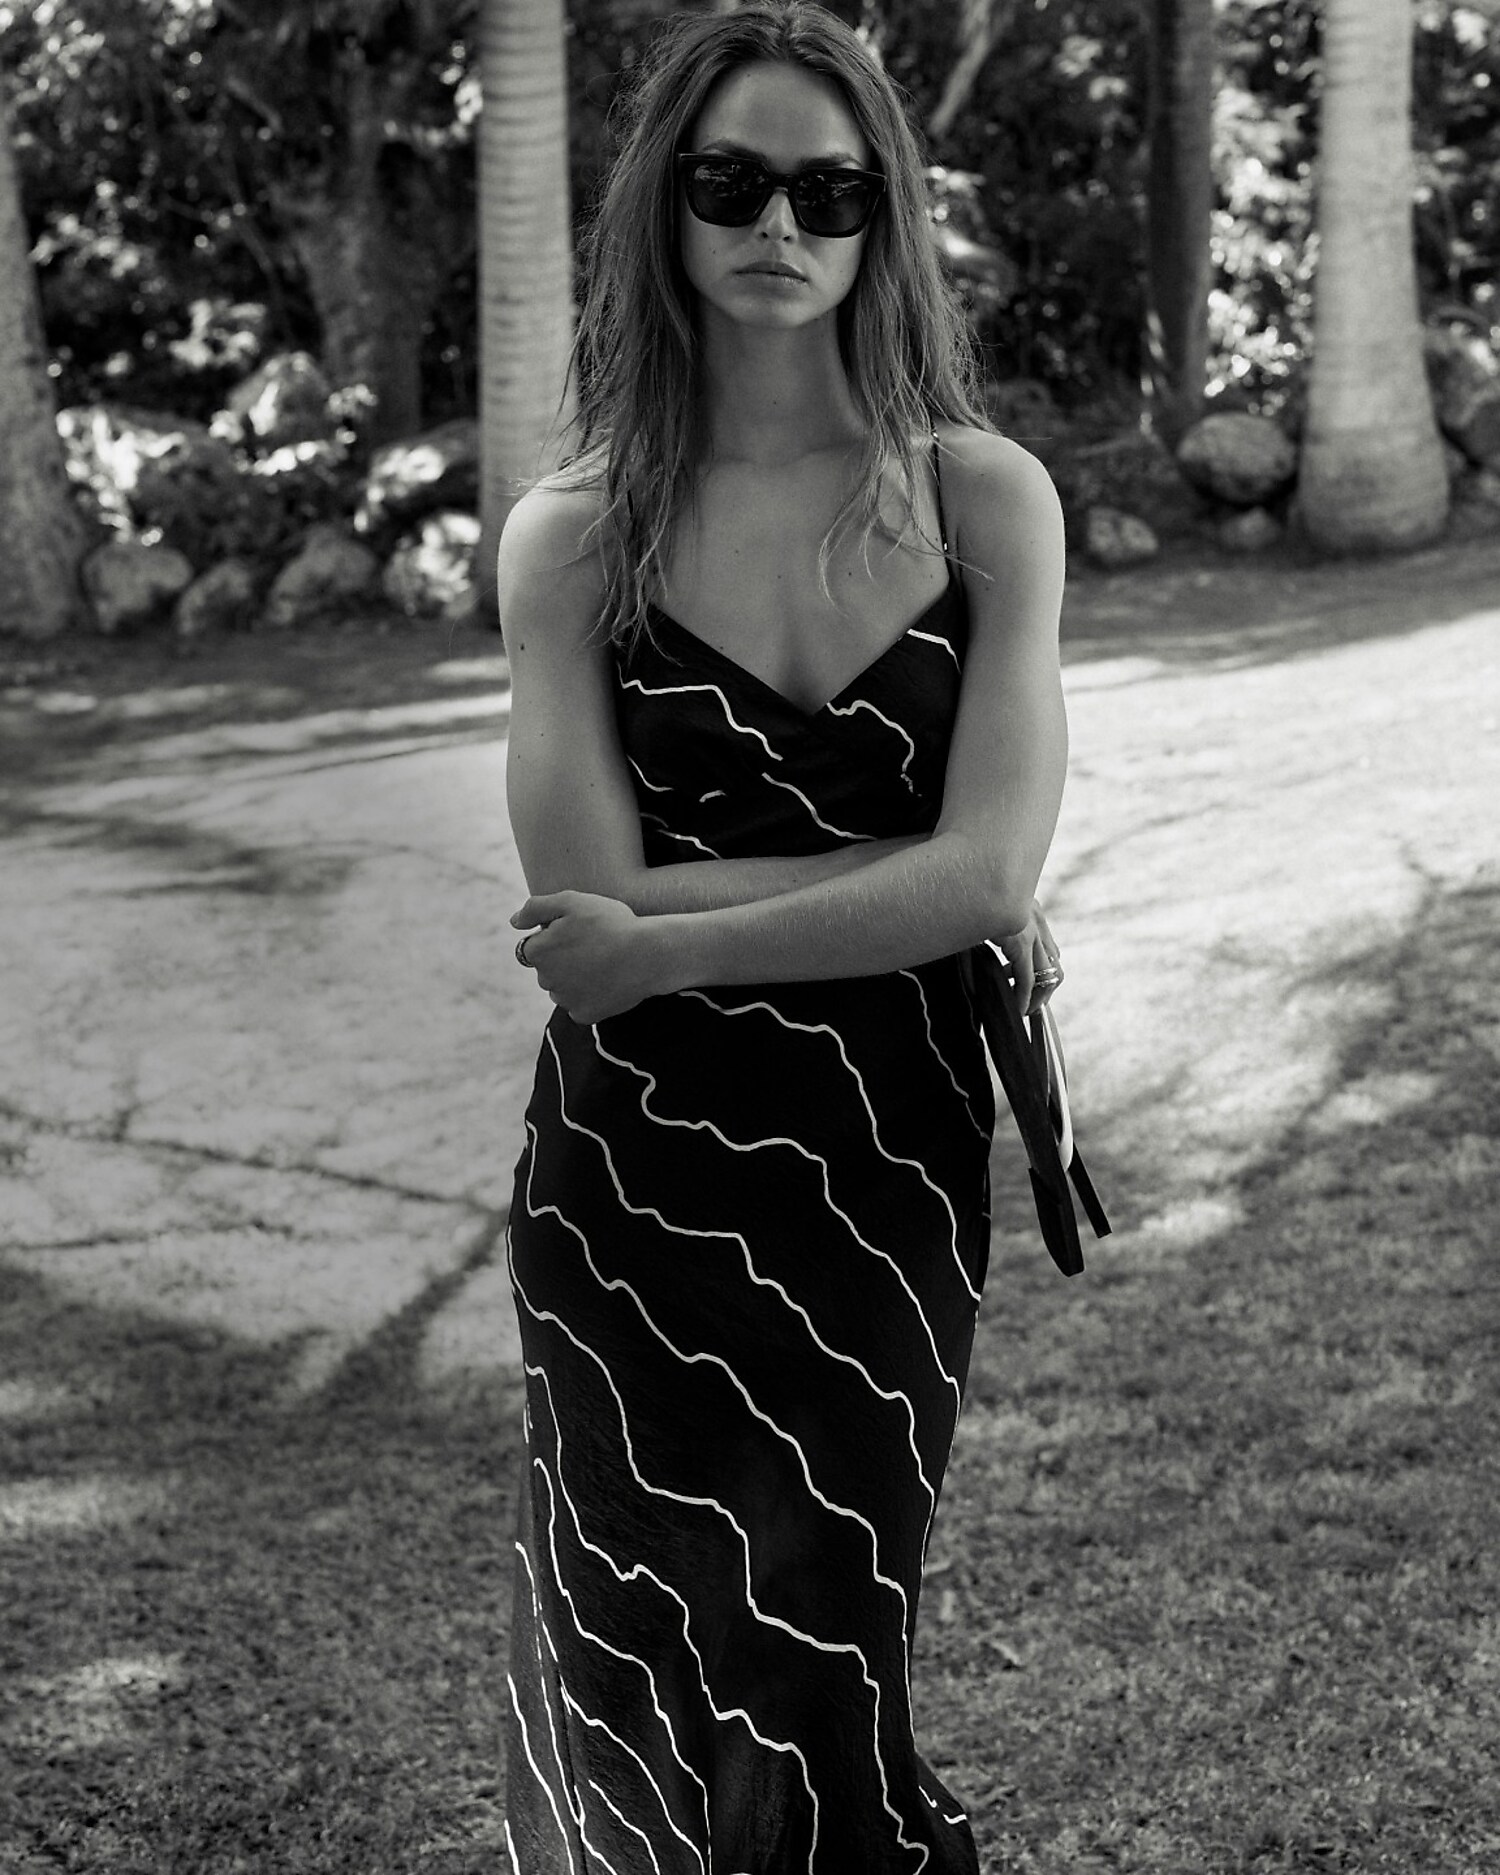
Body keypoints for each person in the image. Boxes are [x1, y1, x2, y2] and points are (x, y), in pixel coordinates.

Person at [496, 4, 1067, 1868]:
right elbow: (582, 912)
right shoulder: (573, 538)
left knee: (826, 1647)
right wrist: (906, 868)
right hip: (634, 1179)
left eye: (831, 191)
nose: (781, 226)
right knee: (634, 1657)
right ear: (664, 204)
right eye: (731, 180)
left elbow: (979, 883)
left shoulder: (984, 501)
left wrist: (676, 930)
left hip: (883, 1157)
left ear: (883, 219)